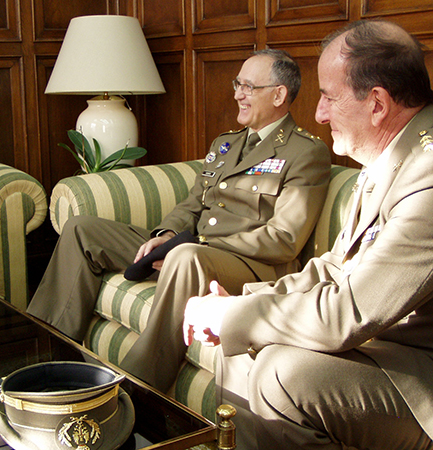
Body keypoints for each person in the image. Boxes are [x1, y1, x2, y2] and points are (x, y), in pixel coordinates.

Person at [184, 19, 433, 449]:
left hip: (418, 374)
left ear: (377, 103)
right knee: (247, 347)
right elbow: (335, 267)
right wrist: (247, 302)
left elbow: (349, 310)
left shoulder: (426, 174)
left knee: (282, 372)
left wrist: (233, 318)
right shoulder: (391, 155)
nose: (317, 112)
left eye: (329, 97)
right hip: (383, 348)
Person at [28, 49, 331, 392]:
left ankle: (134, 389)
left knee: (185, 256)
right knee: (82, 229)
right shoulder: (226, 144)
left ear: (279, 95)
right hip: (192, 245)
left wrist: (194, 244)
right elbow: (193, 203)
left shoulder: (306, 152)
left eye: (248, 87)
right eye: (237, 84)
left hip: (249, 263)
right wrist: (168, 233)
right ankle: (43, 356)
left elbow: (283, 239)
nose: (237, 94)